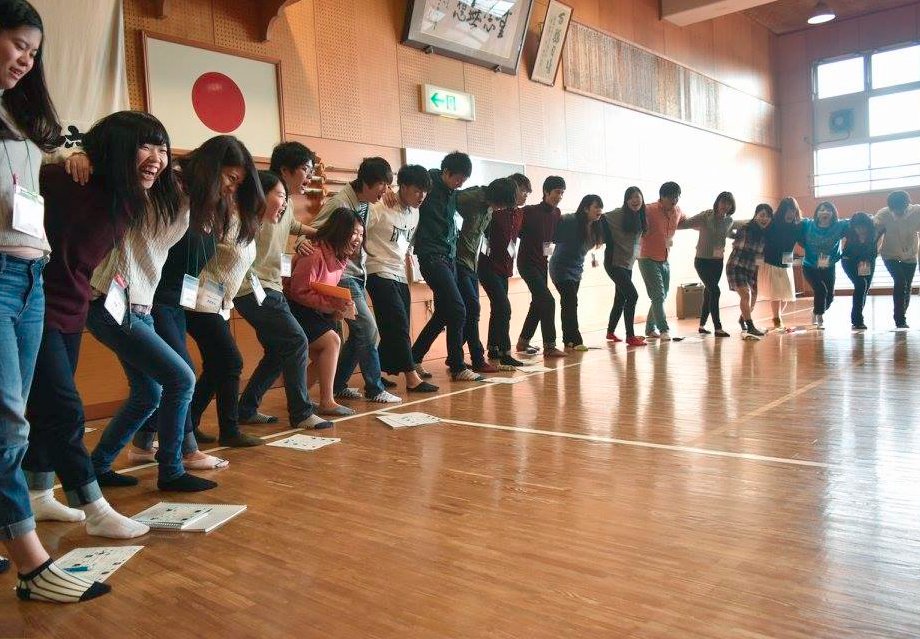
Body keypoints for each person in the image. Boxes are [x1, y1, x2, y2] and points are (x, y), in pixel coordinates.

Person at [0, 0, 111, 601]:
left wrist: (69, 155)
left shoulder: (20, 120)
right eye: (18, 44)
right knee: (9, 424)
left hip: (30, 276)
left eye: (34, 52)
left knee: (15, 417)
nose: (26, 59)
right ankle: (31, 564)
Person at [23, 112, 176, 541]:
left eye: (163, 148)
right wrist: (69, 154)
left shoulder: (129, 197)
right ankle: (93, 506)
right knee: (65, 409)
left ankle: (38, 493)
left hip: (72, 308)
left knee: (47, 410)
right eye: (146, 146)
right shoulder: (69, 180)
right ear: (116, 147)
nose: (157, 158)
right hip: (32, 305)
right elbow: (22, 171)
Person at [233, 141, 333, 430]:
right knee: (297, 341)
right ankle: (301, 413)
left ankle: (246, 408)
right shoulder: (263, 197)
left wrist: (315, 234)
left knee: (279, 350)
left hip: (269, 286)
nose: (309, 176)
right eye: (305, 169)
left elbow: (291, 225)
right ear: (285, 170)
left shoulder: (283, 200)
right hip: (255, 287)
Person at [183, 170, 283, 446]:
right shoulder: (226, 218)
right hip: (200, 302)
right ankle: (229, 431)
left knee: (216, 366)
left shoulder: (248, 223)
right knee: (231, 362)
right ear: (260, 194)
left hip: (220, 304)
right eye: (279, 195)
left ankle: (188, 425)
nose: (284, 203)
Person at [411, 173, 531, 374]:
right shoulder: (471, 197)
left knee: (444, 313)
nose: (500, 209)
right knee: (471, 310)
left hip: (470, 263)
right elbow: (449, 204)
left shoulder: (490, 207)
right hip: (456, 260)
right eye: (502, 204)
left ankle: (418, 356)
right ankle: (475, 359)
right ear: (497, 197)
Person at [312, 156, 402, 402]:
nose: (385, 190)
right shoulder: (340, 203)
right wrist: (302, 244)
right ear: (366, 182)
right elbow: (314, 230)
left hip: (357, 273)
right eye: (382, 184)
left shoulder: (365, 202)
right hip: (343, 276)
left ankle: (338, 384)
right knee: (369, 330)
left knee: (360, 332)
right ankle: (374, 388)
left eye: (387, 185)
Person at [364, 164, 438, 393]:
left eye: (425, 191)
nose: (421, 196)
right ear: (402, 187)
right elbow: (357, 232)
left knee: (395, 325)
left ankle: (376, 372)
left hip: (399, 273)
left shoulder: (415, 212)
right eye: (417, 190)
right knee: (397, 324)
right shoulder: (379, 206)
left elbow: (406, 244)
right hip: (377, 270)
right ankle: (411, 377)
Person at [411, 151, 484, 381]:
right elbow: (404, 192)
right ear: (446, 172)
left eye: (464, 180)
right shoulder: (428, 184)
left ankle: (414, 357)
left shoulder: (453, 193)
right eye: (458, 178)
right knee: (458, 308)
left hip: (449, 256)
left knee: (444, 312)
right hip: (431, 256)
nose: (460, 183)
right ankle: (457, 366)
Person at [287, 208, 363, 414]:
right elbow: (298, 292)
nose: (358, 239)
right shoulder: (314, 253)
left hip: (316, 310)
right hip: (297, 309)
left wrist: (339, 307)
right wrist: (332, 305)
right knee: (332, 342)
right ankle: (326, 401)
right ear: (340, 231)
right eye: (354, 233)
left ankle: (299, 398)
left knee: (326, 352)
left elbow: (326, 290)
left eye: (361, 234)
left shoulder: (340, 257)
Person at [477, 178, 526, 369]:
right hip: (488, 267)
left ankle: (494, 347)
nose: (524, 195)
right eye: (521, 191)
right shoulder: (495, 211)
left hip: (505, 268)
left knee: (498, 308)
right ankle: (506, 352)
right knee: (504, 307)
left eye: (527, 192)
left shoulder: (520, 214)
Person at [517, 175, 566, 357]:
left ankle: (523, 342)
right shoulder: (529, 211)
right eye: (556, 192)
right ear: (546, 191)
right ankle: (550, 346)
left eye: (562, 193)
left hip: (542, 263)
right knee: (548, 301)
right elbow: (516, 232)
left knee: (538, 302)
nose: (559, 196)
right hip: (526, 263)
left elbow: (551, 239)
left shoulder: (557, 213)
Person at [550, 194, 604, 350]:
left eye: (601, 207)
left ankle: (568, 340)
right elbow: (557, 224)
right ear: (586, 208)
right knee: (570, 301)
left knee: (569, 303)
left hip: (576, 269)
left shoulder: (596, 226)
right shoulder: (571, 220)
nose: (599, 210)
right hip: (560, 267)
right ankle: (574, 340)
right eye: (596, 207)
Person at [679, 191, 736, 337]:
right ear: (717, 202)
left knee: (709, 292)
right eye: (723, 202)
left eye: (729, 203)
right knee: (715, 291)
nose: (725, 206)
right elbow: (685, 223)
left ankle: (702, 325)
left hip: (718, 262)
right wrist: (672, 218)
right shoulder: (705, 216)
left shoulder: (729, 221)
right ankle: (718, 327)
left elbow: (730, 233)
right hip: (702, 261)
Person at [638, 181, 685, 341]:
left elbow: (687, 221)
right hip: (647, 258)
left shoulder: (677, 211)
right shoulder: (649, 209)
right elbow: (632, 216)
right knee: (658, 295)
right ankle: (663, 329)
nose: (674, 200)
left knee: (662, 295)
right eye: (671, 197)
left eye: (677, 197)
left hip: (664, 258)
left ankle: (650, 328)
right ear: (662, 197)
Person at [603, 186, 647, 346]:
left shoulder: (640, 215)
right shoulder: (618, 214)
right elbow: (602, 217)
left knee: (620, 298)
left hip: (628, 264)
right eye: (631, 197)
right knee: (632, 296)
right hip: (614, 262)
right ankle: (630, 336)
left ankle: (610, 332)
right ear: (626, 200)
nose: (635, 200)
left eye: (638, 197)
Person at [726, 203, 773, 339]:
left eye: (768, 216)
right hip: (736, 266)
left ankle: (743, 319)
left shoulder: (766, 235)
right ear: (755, 215)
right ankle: (751, 326)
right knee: (745, 295)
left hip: (751, 269)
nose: (764, 219)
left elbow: (760, 256)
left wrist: (758, 270)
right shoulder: (744, 228)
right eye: (762, 215)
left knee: (753, 298)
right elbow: (728, 226)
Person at [798, 201, 848, 328]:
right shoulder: (808, 224)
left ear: (833, 213)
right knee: (820, 290)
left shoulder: (839, 225)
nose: (825, 212)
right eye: (821, 210)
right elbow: (795, 222)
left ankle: (816, 311)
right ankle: (820, 317)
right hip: (810, 266)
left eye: (828, 210)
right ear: (817, 214)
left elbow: (856, 221)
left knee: (829, 297)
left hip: (828, 266)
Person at [875, 190, 920, 329]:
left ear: (907, 205)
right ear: (890, 207)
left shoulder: (917, 211)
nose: (899, 212)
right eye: (896, 210)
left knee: (907, 285)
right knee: (900, 281)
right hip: (890, 255)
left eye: (902, 209)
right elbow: (873, 228)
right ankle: (900, 319)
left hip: (910, 255)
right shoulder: (884, 214)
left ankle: (902, 313)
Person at [759, 197, 801, 331]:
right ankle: (776, 318)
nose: (790, 214)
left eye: (793, 211)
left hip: (786, 264)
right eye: (787, 211)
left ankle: (778, 317)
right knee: (776, 293)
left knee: (786, 295)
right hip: (772, 262)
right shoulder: (773, 223)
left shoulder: (796, 226)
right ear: (782, 211)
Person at [840, 211, 877, 331]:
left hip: (868, 263)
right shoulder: (849, 232)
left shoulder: (874, 233)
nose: (860, 229)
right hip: (849, 262)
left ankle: (857, 317)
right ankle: (857, 320)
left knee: (864, 289)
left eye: (863, 226)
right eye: (857, 227)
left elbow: (875, 251)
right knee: (861, 284)